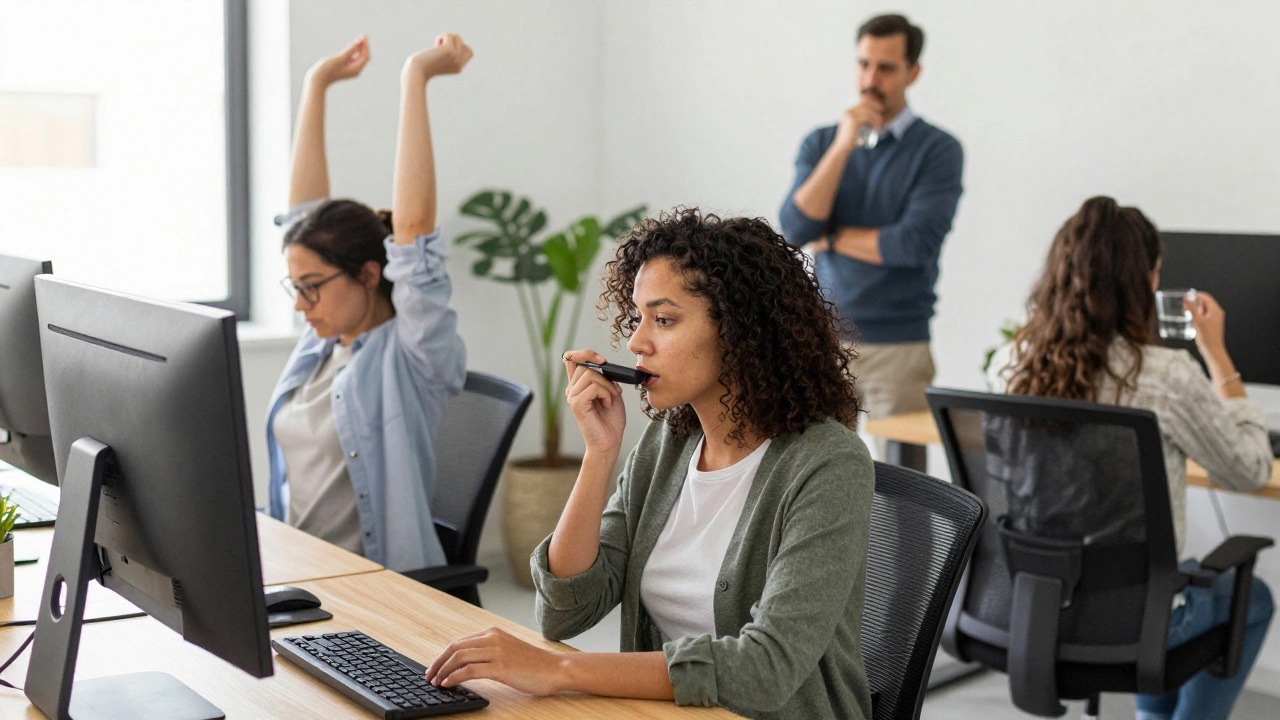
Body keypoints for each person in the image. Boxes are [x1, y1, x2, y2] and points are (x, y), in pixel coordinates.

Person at [426, 209, 875, 719]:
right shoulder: (669, 442)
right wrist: (599, 455)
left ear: (741, 330)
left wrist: (561, 671)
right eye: (637, 316)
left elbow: (763, 670)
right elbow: (564, 611)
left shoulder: (828, 464)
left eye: (663, 319)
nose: (637, 342)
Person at [987, 196, 1274, 720]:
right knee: (1251, 598)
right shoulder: (1164, 375)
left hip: (1036, 609)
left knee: (1157, 583)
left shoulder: (1011, 362)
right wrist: (1217, 355)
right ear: (1142, 281)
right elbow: (1249, 469)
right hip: (1136, 617)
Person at [265, 34, 470, 572]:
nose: (301, 305)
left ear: (369, 274)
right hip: (296, 573)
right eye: (296, 286)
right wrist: (316, 86)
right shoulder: (323, 339)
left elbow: (414, 230)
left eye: (312, 285)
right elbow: (302, 216)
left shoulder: (414, 354)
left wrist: (415, 77)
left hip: (373, 587)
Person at [779, 13, 963, 432]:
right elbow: (794, 229)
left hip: (899, 348)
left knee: (905, 491)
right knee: (818, 480)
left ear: (913, 73)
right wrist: (845, 145)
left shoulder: (938, 150)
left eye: (886, 67)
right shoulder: (823, 142)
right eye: (864, 64)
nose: (870, 79)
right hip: (824, 343)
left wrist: (834, 236)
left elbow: (913, 244)